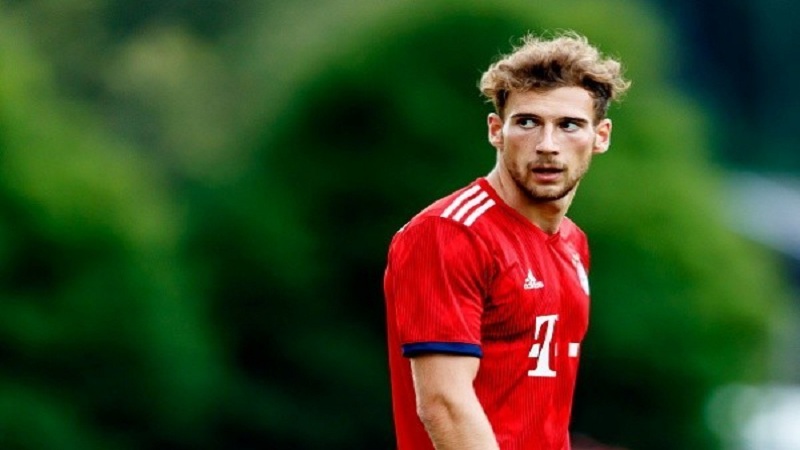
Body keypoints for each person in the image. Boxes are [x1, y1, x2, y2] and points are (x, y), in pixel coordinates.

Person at [383, 31, 631, 450]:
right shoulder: (449, 233)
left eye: (569, 125)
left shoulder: (573, 243)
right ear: (496, 130)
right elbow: (445, 405)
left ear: (601, 136)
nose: (547, 145)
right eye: (527, 122)